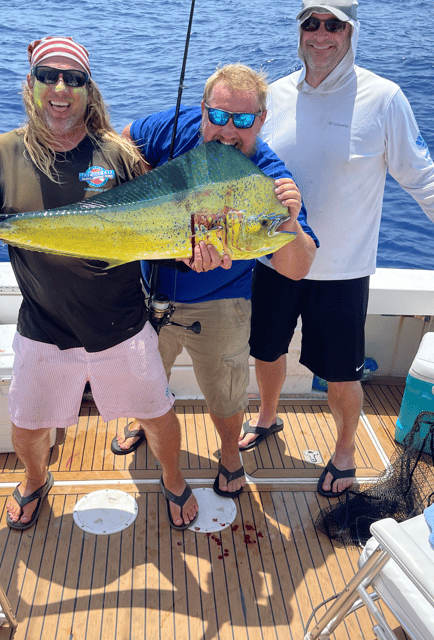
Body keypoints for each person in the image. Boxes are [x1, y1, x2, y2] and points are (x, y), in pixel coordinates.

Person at [239, 0, 434, 498]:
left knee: (343, 376)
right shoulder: (274, 95)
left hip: (342, 272)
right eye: (311, 24)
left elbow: (424, 179)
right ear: (299, 30)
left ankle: (345, 451)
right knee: (266, 351)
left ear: (351, 32)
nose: (320, 35)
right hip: (274, 259)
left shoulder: (384, 98)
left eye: (333, 25)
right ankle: (265, 416)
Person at [0, 36, 200, 531]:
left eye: (74, 79)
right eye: (49, 76)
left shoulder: (118, 153)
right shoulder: (2, 152)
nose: (60, 88)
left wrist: (194, 248)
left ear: (89, 90)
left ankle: (172, 477)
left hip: (123, 324)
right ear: (32, 84)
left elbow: (162, 225)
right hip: (44, 323)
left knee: (156, 414)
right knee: (27, 424)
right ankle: (35, 479)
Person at [113, 63, 319, 499]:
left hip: (221, 301)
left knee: (226, 396)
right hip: (150, 291)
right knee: (145, 379)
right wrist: (139, 177)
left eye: (243, 120)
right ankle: (141, 420)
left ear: (261, 120)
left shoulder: (271, 180)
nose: (228, 131)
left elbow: (298, 267)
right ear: (203, 110)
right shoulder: (177, 126)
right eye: (219, 116)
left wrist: (292, 223)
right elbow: (117, 140)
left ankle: (229, 455)